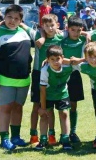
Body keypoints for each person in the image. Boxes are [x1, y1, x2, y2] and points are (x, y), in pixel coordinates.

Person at [0, 4, 32, 150]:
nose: (12, 20)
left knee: (18, 108)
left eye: (16, 18)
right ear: (4, 17)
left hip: (24, 80)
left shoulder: (24, 33)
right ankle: (4, 138)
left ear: (21, 20)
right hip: (4, 80)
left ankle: (16, 137)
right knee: (5, 108)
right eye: (9, 17)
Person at [23, 14, 64, 146]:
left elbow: (79, 31)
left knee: (50, 106)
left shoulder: (61, 36)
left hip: (54, 75)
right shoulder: (37, 36)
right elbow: (23, 26)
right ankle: (33, 135)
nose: (50, 28)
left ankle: (51, 135)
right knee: (37, 105)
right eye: (46, 26)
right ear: (42, 26)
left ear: (57, 25)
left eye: (52, 25)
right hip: (38, 74)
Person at [36, 45, 73, 150]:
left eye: (58, 59)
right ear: (47, 60)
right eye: (52, 59)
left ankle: (65, 139)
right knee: (44, 115)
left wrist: (74, 60)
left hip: (62, 93)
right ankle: (43, 140)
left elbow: (81, 62)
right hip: (48, 94)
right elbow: (42, 90)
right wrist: (42, 108)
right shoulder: (45, 70)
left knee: (64, 114)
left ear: (62, 58)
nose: (55, 62)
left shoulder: (69, 66)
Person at [61, 16, 87, 143]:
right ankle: (60, 133)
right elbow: (58, 57)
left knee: (73, 105)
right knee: (61, 106)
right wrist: (72, 61)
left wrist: (77, 61)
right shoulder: (62, 39)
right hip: (61, 74)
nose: (76, 33)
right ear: (68, 29)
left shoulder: (83, 39)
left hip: (75, 75)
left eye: (78, 30)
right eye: (73, 30)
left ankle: (73, 132)